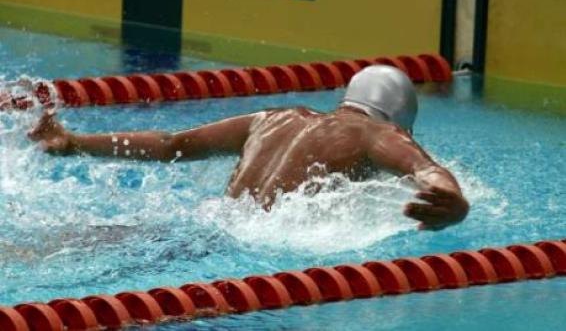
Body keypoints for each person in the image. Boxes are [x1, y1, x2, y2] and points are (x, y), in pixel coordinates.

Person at [29, 66, 469, 230]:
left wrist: (73, 143)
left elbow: (169, 145)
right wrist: (455, 203)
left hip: (207, 225)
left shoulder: (273, 118)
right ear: (400, 120)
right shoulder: (379, 135)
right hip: (251, 246)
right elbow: (427, 172)